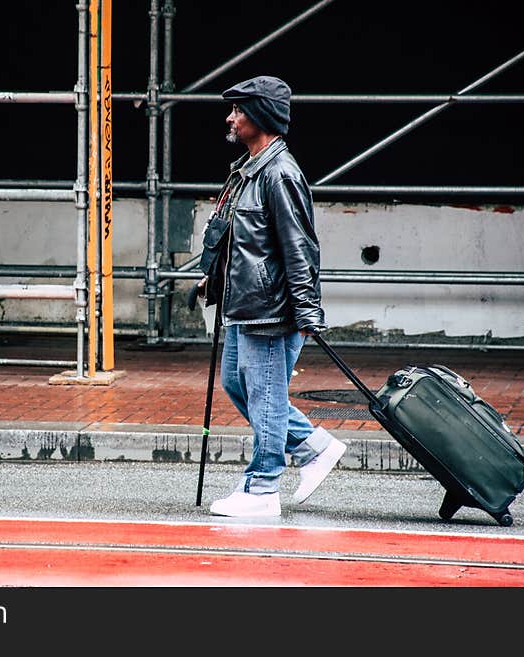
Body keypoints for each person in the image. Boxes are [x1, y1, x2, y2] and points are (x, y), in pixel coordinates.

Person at [194, 75, 346, 518]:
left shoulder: (280, 174)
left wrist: (306, 312)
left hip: (271, 310)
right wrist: (215, 277)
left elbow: (300, 249)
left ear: (260, 114)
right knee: (239, 384)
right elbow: (244, 241)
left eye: (238, 109)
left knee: (264, 395)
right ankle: (313, 445)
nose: (230, 117)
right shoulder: (248, 170)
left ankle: (262, 489)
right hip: (245, 303)